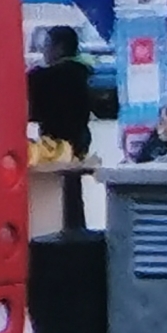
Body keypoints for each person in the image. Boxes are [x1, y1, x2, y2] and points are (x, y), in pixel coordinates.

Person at [28, 24, 95, 232]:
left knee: (61, 197)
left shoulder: (52, 77)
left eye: (47, 45)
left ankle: (67, 233)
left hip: (59, 143)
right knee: (72, 194)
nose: (44, 51)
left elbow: (33, 108)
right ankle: (75, 230)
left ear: (59, 47)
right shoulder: (81, 73)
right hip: (80, 143)